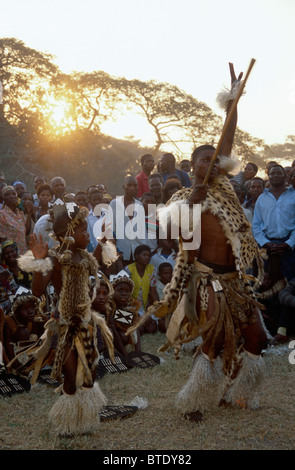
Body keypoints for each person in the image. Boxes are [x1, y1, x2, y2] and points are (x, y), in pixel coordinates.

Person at [129, 63, 268, 422]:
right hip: (206, 281)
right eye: (203, 160)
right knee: (210, 343)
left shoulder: (226, 195)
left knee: (256, 339)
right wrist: (193, 200)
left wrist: (232, 104)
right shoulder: (182, 199)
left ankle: (232, 392)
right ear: (193, 167)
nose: (210, 164)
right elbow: (175, 237)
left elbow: (227, 139)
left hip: (236, 282)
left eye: (214, 160)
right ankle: (193, 403)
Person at [17, 201, 117, 436]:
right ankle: (68, 425)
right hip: (64, 327)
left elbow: (95, 258)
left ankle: (84, 421)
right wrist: (40, 261)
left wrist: (102, 243)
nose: (86, 234)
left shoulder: (84, 257)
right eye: (82, 231)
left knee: (89, 373)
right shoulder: (54, 260)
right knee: (71, 376)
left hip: (86, 323)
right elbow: (38, 292)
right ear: (69, 235)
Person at [252, 164, 295, 282]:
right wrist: (266, 243)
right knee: (266, 285)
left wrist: (289, 243)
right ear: (268, 176)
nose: (275, 175)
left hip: (290, 248)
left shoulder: (293, 195)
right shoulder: (262, 198)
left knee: (289, 284)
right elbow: (256, 225)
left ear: (285, 176)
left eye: (278, 173)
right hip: (266, 248)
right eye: (272, 173)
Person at [3, 288, 48, 372]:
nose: (30, 311)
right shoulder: (9, 323)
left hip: (33, 360)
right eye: (25, 309)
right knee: (22, 331)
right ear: (17, 311)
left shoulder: (36, 320)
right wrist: (17, 367)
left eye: (32, 307)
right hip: (17, 363)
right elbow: (8, 349)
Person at [108, 175, 146, 266]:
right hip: (120, 254)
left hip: (137, 254)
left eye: (135, 185)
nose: (132, 188)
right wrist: (115, 251)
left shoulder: (140, 205)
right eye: (129, 185)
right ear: (124, 187)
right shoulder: (114, 204)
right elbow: (110, 230)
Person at [125, 244, 158, 333]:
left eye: (148, 256)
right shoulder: (128, 269)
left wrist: (155, 307)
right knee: (141, 329)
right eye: (144, 255)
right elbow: (125, 295)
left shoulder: (152, 269)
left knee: (152, 329)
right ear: (136, 256)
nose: (147, 258)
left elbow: (153, 292)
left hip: (146, 305)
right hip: (132, 305)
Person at [111, 274, 142, 356]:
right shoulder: (109, 306)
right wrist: (126, 356)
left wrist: (138, 352)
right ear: (112, 291)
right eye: (120, 290)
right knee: (122, 336)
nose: (124, 293)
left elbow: (135, 327)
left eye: (127, 291)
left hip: (122, 335)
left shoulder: (131, 305)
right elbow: (113, 330)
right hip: (110, 337)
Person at [0, 186, 30, 255]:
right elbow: (2, 239)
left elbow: (26, 232)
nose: (11, 196)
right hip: (12, 254)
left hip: (24, 253)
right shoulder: (2, 215)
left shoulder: (20, 213)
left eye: (13, 194)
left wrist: (29, 212)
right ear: (4, 198)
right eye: (7, 195)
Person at [155, 262, 173, 333]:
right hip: (161, 313)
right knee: (164, 325)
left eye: (170, 273)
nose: (168, 275)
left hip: (172, 312)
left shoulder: (174, 284)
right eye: (165, 273)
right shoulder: (156, 286)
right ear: (159, 274)